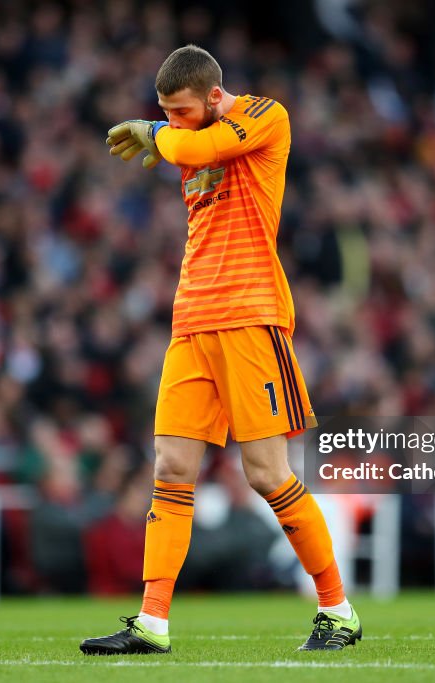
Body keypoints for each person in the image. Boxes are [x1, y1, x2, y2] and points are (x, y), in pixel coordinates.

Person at [80, 45, 360, 655]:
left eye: (181, 111)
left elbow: (197, 148)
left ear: (213, 96)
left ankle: (337, 609)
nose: (174, 122)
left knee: (266, 474)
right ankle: (152, 621)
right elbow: (187, 147)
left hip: (250, 318)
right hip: (191, 322)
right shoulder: (187, 134)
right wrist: (166, 133)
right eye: (165, 113)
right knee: (171, 469)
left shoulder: (266, 116)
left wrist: (157, 132)